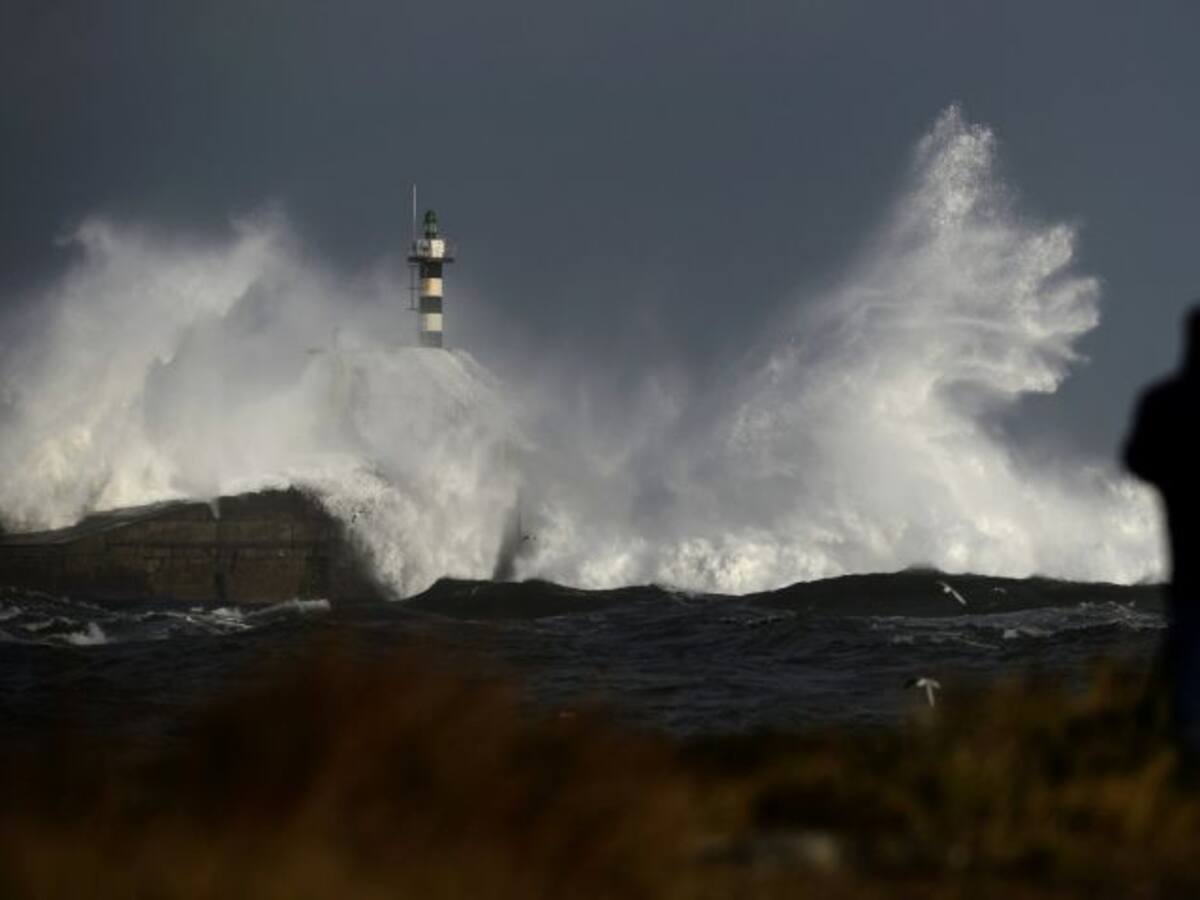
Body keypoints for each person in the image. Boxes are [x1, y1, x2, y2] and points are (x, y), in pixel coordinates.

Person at [1124, 305, 1200, 752]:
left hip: (1188, 567)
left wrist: (1170, 479)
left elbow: (1137, 460)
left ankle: (1168, 746)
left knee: (1186, 651)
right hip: (1190, 565)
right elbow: (1138, 460)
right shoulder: (1166, 400)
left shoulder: (1164, 399)